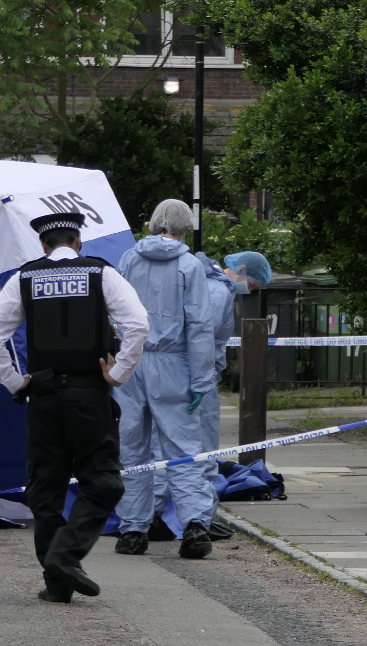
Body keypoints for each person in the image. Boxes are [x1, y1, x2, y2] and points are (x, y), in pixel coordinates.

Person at [0, 212, 149, 603]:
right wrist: (118, 373)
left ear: (43, 245)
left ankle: (56, 582)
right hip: (89, 397)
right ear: (78, 242)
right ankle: (66, 556)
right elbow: (138, 323)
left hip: (42, 399)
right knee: (104, 482)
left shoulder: (25, 277)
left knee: (46, 491)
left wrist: (14, 380)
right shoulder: (99, 274)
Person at [113, 199, 217, 560]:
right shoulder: (190, 266)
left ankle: (132, 531)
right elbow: (201, 327)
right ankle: (195, 526)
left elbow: (116, 311)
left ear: (155, 223)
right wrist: (202, 380)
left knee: (131, 449)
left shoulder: (129, 259)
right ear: (186, 227)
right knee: (183, 449)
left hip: (131, 361)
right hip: (173, 364)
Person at [148, 251, 237, 541]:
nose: (253, 289)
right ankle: (200, 522)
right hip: (197, 377)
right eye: (255, 283)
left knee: (159, 448)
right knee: (201, 450)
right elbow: (204, 337)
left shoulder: (161, 273)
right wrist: (202, 380)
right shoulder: (218, 289)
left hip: (158, 372)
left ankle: (147, 518)